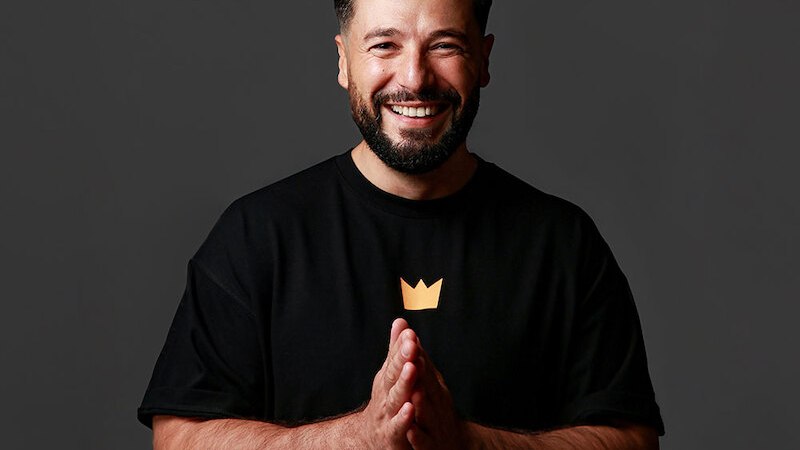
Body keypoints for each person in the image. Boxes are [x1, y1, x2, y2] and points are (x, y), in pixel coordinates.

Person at [139, 0, 665, 448]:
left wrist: (467, 443)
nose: (414, 78)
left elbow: (631, 441)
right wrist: (356, 438)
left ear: (483, 60)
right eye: (384, 45)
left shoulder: (564, 244)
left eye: (445, 45)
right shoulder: (256, 236)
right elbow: (179, 436)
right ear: (344, 60)